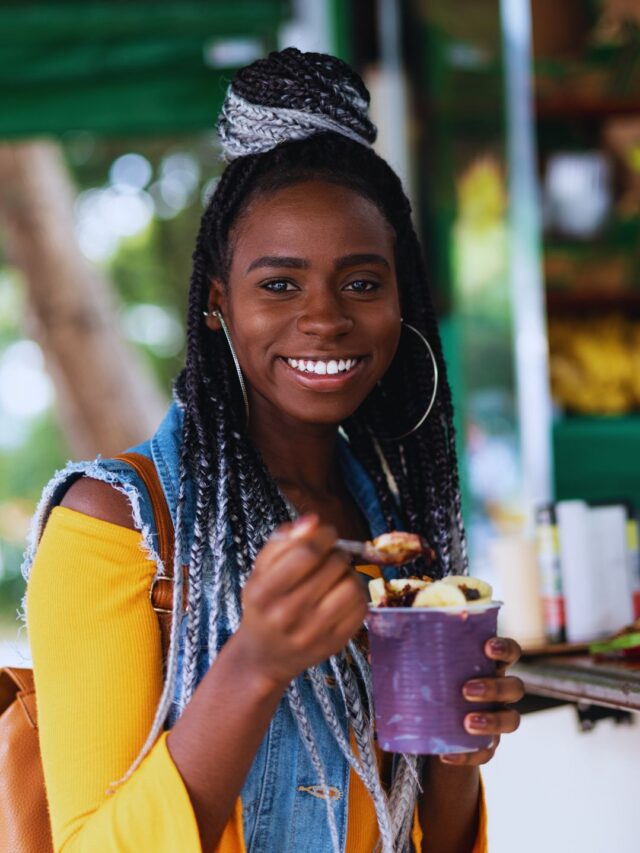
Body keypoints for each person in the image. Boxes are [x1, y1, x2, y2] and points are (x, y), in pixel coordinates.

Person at [23, 48, 524, 853]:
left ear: (405, 304)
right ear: (218, 303)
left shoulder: (392, 536)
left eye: (362, 282)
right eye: (279, 284)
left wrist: (458, 756)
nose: (324, 319)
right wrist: (253, 665)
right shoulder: (112, 528)